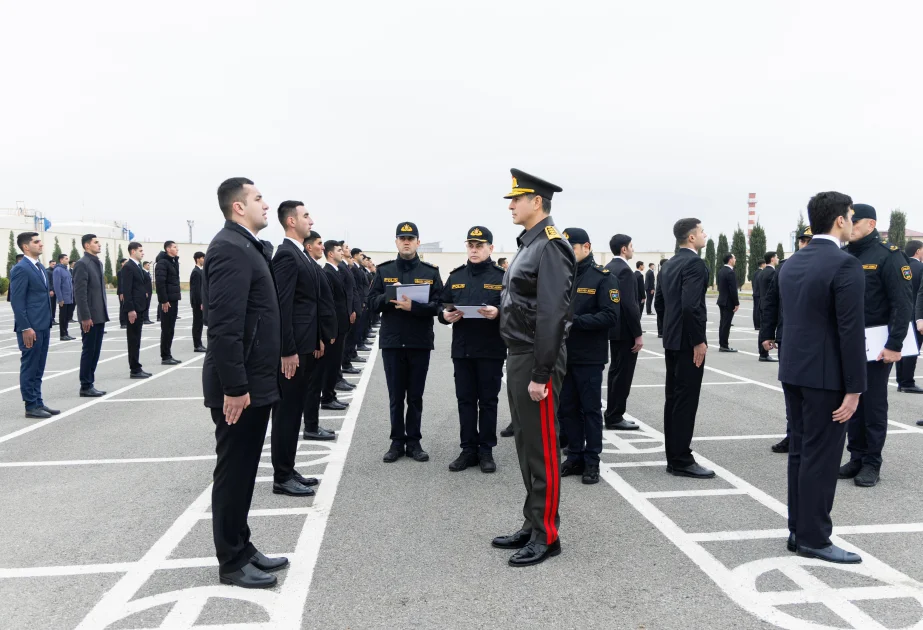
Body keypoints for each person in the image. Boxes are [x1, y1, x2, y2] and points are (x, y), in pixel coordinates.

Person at [203, 177, 287, 589]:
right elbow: (222, 325)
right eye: (257, 198)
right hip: (241, 388)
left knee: (246, 471)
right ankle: (231, 561)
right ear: (238, 207)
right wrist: (234, 387)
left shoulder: (247, 246)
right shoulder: (228, 248)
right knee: (234, 472)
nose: (265, 204)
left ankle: (243, 545)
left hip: (256, 381)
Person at [491, 168, 575, 567]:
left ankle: (547, 535)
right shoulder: (529, 245)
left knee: (542, 447)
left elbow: (553, 316)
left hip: (535, 358)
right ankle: (532, 522)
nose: (511, 205)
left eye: (516, 198)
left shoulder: (551, 247)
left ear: (536, 202)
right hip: (519, 353)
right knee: (526, 444)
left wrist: (542, 372)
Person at [777, 191, 865, 564]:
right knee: (822, 458)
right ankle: (815, 537)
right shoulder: (844, 265)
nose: (852, 222)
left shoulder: (793, 262)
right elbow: (850, 330)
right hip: (826, 377)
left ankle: (798, 530)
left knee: (800, 452)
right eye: (850, 215)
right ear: (840, 220)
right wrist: (855, 388)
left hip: (794, 370)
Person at [840, 203, 912, 488]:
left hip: (877, 345)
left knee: (872, 404)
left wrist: (896, 344)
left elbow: (902, 303)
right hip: (847, 343)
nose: (849, 227)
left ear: (870, 225)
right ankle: (856, 456)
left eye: (854, 223)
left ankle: (872, 462)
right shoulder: (844, 255)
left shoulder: (888, 257)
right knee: (850, 401)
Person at [271, 202, 337, 496]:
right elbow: (282, 305)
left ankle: (288, 467)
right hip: (292, 350)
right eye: (306, 215)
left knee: (294, 409)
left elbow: (310, 303)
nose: (311, 220)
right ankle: (281, 476)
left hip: (305, 344)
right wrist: (287, 349)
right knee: (286, 412)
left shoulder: (300, 254)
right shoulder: (285, 254)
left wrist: (318, 338)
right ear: (290, 221)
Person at [368, 222, 444, 463]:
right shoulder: (383, 270)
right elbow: (370, 302)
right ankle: (396, 442)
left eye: (411, 238)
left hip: (419, 341)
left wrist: (415, 306)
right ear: (396, 241)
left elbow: (439, 306)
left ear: (418, 242)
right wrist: (391, 294)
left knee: (415, 396)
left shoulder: (430, 272)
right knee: (395, 396)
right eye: (402, 238)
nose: (407, 241)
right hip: (392, 341)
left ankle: (414, 442)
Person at [439, 226, 506, 473]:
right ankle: (468, 449)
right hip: (463, 349)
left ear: (491, 247)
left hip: (491, 349)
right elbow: (441, 305)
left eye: (479, 245)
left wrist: (498, 312)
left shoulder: (501, 277)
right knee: (465, 401)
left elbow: (516, 309)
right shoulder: (456, 276)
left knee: (488, 401)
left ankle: (486, 450)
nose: (475, 250)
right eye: (471, 245)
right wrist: (445, 316)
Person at [558, 227, 619, 484]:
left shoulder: (603, 277)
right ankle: (574, 455)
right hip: (562, 355)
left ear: (587, 247)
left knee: (591, 410)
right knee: (567, 409)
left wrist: (575, 322)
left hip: (590, 356)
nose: (569, 253)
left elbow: (610, 315)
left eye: (572, 248)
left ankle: (592, 461)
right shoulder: (560, 276)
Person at [660, 218, 713, 479]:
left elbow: (660, 303)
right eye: (702, 231)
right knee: (685, 400)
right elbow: (692, 306)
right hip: (686, 342)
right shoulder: (694, 263)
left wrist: (667, 332)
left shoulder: (670, 263)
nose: (705, 234)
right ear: (691, 237)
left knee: (674, 399)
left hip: (672, 339)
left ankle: (675, 456)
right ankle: (680, 458)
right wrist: (698, 341)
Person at [10, 232, 57, 419]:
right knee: (30, 366)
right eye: (36, 242)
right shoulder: (21, 268)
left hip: (43, 324)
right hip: (30, 327)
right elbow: (17, 301)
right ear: (25, 247)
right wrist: (25, 327)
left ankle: (38, 401)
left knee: (39, 366)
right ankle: (30, 405)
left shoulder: (39, 268)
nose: (41, 245)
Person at [303, 231, 342, 432]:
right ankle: (311, 426)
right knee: (313, 384)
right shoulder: (314, 269)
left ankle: (313, 423)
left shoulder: (315, 268)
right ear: (309, 247)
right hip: (317, 338)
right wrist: (319, 337)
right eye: (319, 244)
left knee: (315, 382)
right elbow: (314, 307)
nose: (322, 247)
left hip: (323, 335)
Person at [604, 234, 642, 431]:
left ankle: (612, 413)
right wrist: (638, 333)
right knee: (623, 374)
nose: (633, 249)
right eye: (631, 246)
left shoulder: (608, 267)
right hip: (625, 331)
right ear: (624, 249)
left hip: (612, 329)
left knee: (615, 372)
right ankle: (615, 415)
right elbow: (629, 305)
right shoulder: (625, 271)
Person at [73, 234, 109, 398]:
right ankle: (85, 385)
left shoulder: (97, 263)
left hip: (99, 315)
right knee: (89, 350)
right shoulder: (82, 264)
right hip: (90, 317)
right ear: (87, 246)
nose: (99, 245)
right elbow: (80, 294)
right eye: (96, 243)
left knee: (95, 351)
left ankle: (90, 383)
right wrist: (85, 317)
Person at [320, 241, 353, 412]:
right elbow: (329, 304)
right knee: (331, 364)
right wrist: (330, 329)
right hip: (335, 327)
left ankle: (330, 395)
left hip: (340, 325)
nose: (342, 252)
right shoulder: (327, 272)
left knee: (335, 363)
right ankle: (327, 397)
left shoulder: (336, 271)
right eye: (339, 250)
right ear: (331, 254)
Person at [896, 239, 923, 393]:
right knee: (913, 350)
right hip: (916, 314)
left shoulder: (901, 267)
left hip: (900, 313)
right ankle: (907, 381)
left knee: (901, 347)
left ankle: (901, 380)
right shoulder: (920, 267)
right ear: (918, 251)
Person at [121, 242, 151, 379]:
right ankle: (134, 369)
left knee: (137, 339)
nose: (142, 253)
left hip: (139, 307)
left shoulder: (137, 266)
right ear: (133, 251)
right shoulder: (128, 267)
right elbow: (126, 290)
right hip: (133, 309)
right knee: (133, 339)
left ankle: (137, 366)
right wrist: (130, 309)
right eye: (140, 250)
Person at [156, 240, 182, 365]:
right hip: (168, 301)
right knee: (166, 328)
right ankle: (165, 356)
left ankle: (168, 354)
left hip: (173, 299)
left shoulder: (173, 262)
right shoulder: (162, 263)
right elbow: (160, 283)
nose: (177, 249)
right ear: (168, 249)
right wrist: (164, 301)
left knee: (171, 328)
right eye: (174, 247)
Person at [753, 252, 779, 361]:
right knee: (766, 329)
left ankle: (762, 352)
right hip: (769, 304)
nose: (778, 259)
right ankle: (764, 354)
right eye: (777, 257)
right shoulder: (772, 273)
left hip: (761, 302)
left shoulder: (762, 272)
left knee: (763, 329)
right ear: (772, 259)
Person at [716, 253, 739, 352]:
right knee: (726, 324)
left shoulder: (721, 271)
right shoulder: (730, 272)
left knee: (723, 324)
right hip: (728, 302)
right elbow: (733, 290)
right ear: (730, 260)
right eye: (734, 258)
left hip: (722, 300)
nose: (735, 259)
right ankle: (724, 345)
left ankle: (722, 343)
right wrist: (736, 303)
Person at [53, 254, 76, 341]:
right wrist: (60, 299)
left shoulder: (66, 270)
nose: (68, 260)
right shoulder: (58, 270)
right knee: (62, 317)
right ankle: (62, 335)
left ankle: (66, 333)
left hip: (69, 297)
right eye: (66, 259)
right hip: (63, 299)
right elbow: (57, 286)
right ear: (61, 260)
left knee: (67, 317)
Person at [190, 251, 207, 353]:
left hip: (200, 301)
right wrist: (201, 302)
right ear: (198, 259)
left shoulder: (201, 271)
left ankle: (199, 343)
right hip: (197, 303)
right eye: (202, 258)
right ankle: (197, 345)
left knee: (200, 323)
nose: (204, 260)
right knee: (197, 323)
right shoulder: (196, 272)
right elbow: (196, 290)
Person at [654, 258, 668, 338]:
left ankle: (661, 332)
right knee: (662, 316)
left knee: (660, 317)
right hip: (662, 298)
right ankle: (662, 331)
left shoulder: (661, 272)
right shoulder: (664, 272)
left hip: (660, 298)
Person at [752, 260, 766, 330]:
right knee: (758, 310)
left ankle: (756, 324)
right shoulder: (761, 273)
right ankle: (758, 325)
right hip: (759, 293)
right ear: (762, 264)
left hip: (755, 293)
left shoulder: (755, 272)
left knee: (755, 309)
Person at [117, 258, 128, 329]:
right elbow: (120, 283)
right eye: (126, 262)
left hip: (127, 292)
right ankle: (123, 322)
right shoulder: (120, 271)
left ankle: (126, 321)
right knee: (122, 307)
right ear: (122, 263)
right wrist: (121, 293)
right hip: (122, 292)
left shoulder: (127, 271)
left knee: (127, 306)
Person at [45, 261, 57, 326]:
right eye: (53, 264)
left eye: (55, 264)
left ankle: (53, 319)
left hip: (55, 290)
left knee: (54, 306)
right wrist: (50, 290)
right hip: (51, 291)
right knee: (51, 306)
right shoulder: (48, 271)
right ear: (49, 264)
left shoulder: (55, 271)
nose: (54, 265)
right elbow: (48, 282)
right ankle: (50, 319)